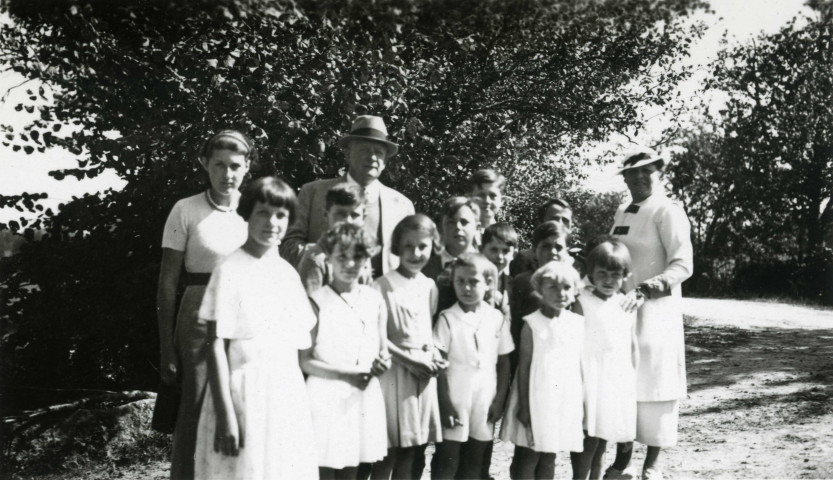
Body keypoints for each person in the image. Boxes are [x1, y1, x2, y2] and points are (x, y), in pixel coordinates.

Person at [193, 176, 318, 479]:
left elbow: (301, 343)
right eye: (263, 212)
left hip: (283, 392)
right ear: (247, 214)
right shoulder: (229, 270)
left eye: (280, 215)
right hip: (240, 394)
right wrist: (226, 416)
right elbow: (216, 347)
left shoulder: (286, 273)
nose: (271, 222)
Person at [157, 130, 253, 480]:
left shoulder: (255, 210)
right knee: (196, 409)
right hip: (198, 315)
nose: (227, 174)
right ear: (204, 164)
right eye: (219, 165)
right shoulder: (185, 209)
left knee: (243, 405)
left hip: (247, 317)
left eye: (235, 166)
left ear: (247, 168)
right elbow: (167, 283)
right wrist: (167, 347)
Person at [605, 150, 693, 480]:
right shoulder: (622, 210)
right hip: (621, 311)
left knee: (656, 382)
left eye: (648, 172)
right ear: (624, 179)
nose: (640, 178)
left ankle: (652, 462)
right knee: (625, 384)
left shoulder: (668, 211)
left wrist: (648, 288)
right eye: (633, 174)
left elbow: (683, 264)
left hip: (656, 311)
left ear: (659, 173)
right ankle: (622, 459)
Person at [300, 223, 391, 479]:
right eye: (342, 256)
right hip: (325, 395)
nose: (350, 264)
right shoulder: (317, 301)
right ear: (328, 258)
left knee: (352, 467)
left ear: (367, 259)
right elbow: (305, 361)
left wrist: (382, 363)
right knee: (323, 470)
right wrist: (345, 375)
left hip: (361, 395)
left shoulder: (374, 301)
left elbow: (383, 351)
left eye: (358, 257)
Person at [281, 115, 415, 277]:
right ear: (347, 154)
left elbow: (410, 256)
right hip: (325, 294)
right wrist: (320, 260)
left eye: (378, 152)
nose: (372, 157)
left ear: (385, 161)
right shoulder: (313, 192)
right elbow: (288, 244)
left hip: (381, 297)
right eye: (364, 150)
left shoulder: (402, 206)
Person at [373, 214, 446, 480]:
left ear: (433, 247)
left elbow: (426, 330)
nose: (415, 253)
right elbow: (377, 338)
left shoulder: (428, 285)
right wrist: (412, 362)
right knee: (388, 451)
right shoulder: (382, 285)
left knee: (412, 450)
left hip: (424, 375)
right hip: (396, 374)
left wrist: (435, 356)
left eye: (422, 246)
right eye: (408, 246)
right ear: (396, 248)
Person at [431, 253, 513, 480]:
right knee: (448, 457)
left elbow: (504, 361)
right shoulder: (447, 318)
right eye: (460, 281)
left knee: (475, 460)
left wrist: (500, 400)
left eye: (473, 281)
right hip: (456, 397)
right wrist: (445, 403)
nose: (466, 287)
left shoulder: (496, 318)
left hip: (485, 398)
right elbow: (439, 365)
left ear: (488, 284)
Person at [500, 261, 585, 480]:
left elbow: (577, 365)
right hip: (536, 398)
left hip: (561, 400)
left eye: (566, 287)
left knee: (550, 455)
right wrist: (525, 407)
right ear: (539, 290)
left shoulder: (577, 323)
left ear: (575, 291)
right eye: (552, 287)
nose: (560, 293)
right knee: (529, 454)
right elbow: (525, 368)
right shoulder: (532, 324)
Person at [574, 239, 639, 480]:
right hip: (588, 377)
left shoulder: (625, 303)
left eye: (615, 274)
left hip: (614, 378)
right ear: (590, 273)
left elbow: (631, 346)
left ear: (625, 276)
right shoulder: (581, 300)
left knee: (602, 437)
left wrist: (631, 380)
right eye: (602, 273)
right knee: (588, 437)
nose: (608, 280)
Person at [477, 222, 518, 479]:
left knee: (487, 428)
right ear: (482, 250)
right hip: (474, 360)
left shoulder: (512, 284)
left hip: (501, 359)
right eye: (494, 249)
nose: (500, 256)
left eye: (506, 250)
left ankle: (483, 472)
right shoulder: (473, 279)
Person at [509, 220, 571, 371]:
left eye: (558, 247)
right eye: (545, 246)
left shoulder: (573, 282)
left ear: (566, 250)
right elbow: (514, 326)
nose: (553, 252)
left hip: (561, 360)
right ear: (535, 250)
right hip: (529, 360)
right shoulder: (523, 281)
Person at [297, 183, 369, 295]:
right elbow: (309, 306)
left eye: (354, 215)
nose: (348, 221)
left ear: (364, 217)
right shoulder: (317, 258)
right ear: (326, 215)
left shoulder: (363, 255)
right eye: (340, 214)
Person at [422, 197, 482, 317]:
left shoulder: (486, 266)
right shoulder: (426, 268)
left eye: (464, 222)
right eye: (451, 222)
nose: (458, 227)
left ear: (478, 227)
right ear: (441, 228)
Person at [509, 197, 573, 278]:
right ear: (540, 223)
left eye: (565, 221)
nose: (560, 224)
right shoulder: (525, 258)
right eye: (554, 219)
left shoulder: (579, 261)